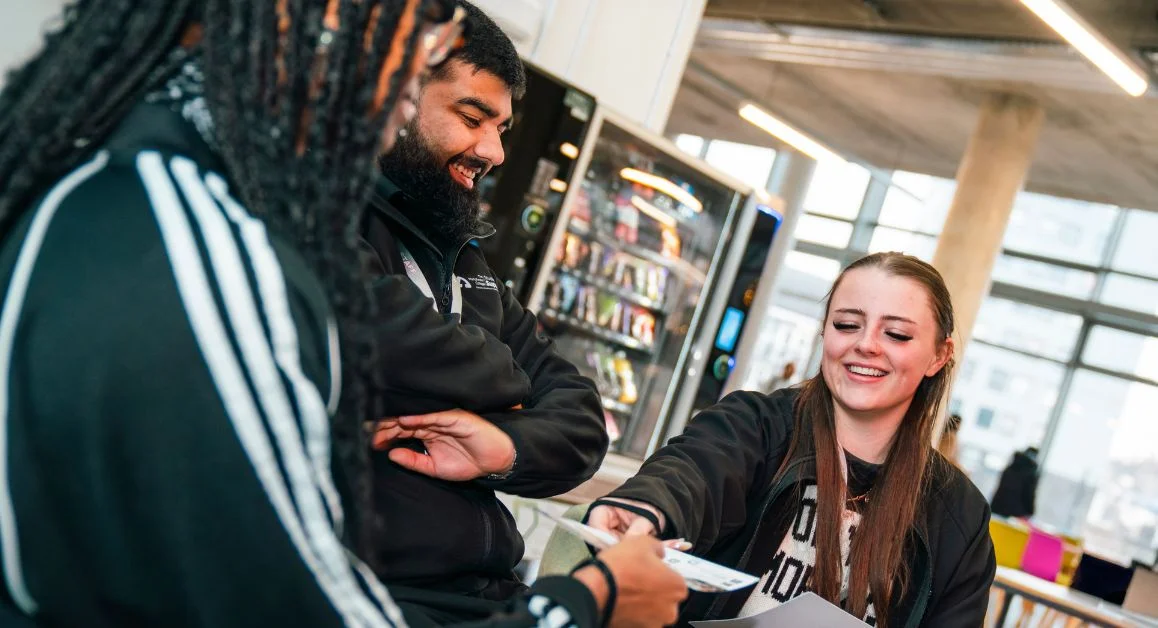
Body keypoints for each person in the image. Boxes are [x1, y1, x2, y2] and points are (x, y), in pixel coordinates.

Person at [0, 1, 685, 626]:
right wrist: (589, 603)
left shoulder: (151, 194)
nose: (399, 105)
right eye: (408, 67)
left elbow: (575, 414)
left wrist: (504, 446)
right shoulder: (199, 243)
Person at [586, 252, 997, 627]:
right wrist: (647, 507)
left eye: (897, 335)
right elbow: (694, 468)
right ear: (825, 333)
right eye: (847, 325)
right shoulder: (757, 425)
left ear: (939, 356)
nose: (866, 345)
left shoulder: (958, 513)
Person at [360, 2, 607, 619]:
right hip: (380, 592)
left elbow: (582, 422)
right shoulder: (332, 230)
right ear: (398, 89)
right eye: (473, 117)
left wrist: (500, 443)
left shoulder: (470, 268)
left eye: (502, 129)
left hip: (487, 591)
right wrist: (514, 387)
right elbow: (381, 336)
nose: (493, 151)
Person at [991, 447, 1041, 519]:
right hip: (1016, 514)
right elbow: (1029, 495)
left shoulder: (1011, 467)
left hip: (997, 507)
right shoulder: (1031, 473)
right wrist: (1031, 512)